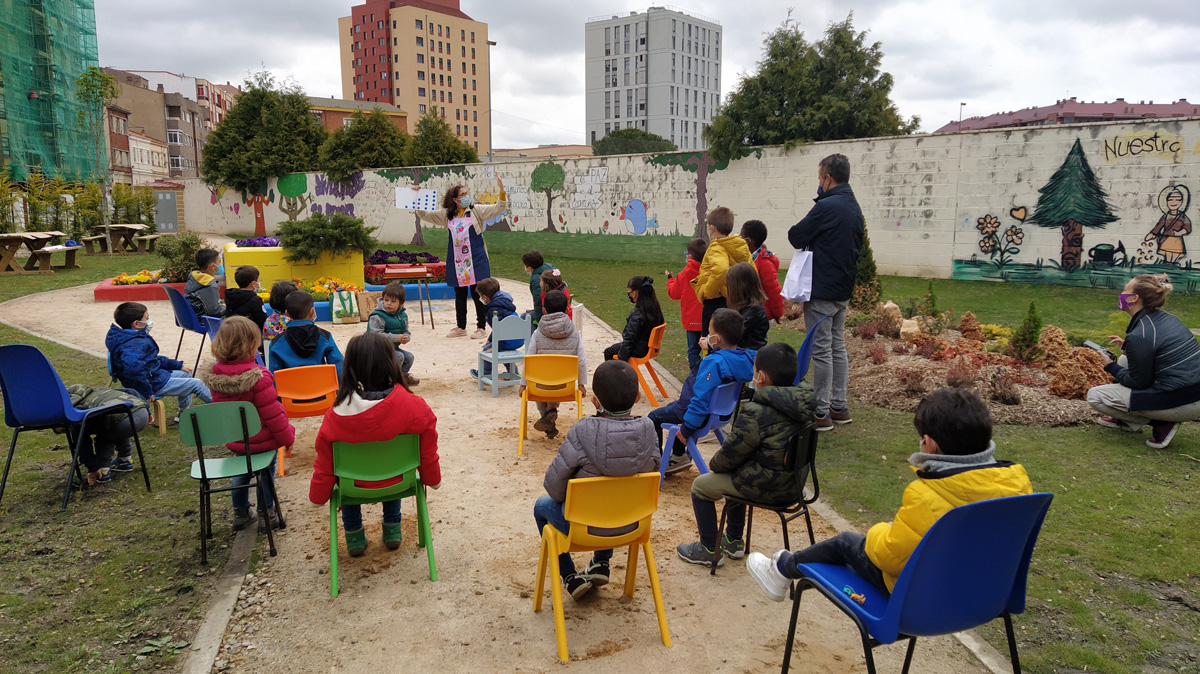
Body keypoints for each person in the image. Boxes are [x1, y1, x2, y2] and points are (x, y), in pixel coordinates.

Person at [747, 388, 1033, 601]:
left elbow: (889, 557)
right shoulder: (1019, 485)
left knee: (847, 542)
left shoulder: (928, 494)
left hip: (922, 599)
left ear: (929, 445)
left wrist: (879, 532)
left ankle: (781, 570)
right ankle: (783, 567)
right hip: (985, 596)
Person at [676, 343, 813, 566]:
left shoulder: (756, 412)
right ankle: (733, 540)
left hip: (769, 488)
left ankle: (709, 548)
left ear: (761, 377)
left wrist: (715, 464)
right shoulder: (805, 404)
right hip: (795, 485)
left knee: (701, 486)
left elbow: (728, 457)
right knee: (740, 469)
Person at [535, 360, 660, 600]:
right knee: (614, 494)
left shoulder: (582, 431)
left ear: (595, 401)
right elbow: (652, 473)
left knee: (541, 507)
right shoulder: (649, 430)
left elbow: (553, 487)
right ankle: (601, 563)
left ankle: (570, 576)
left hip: (584, 528)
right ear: (637, 397)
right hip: (634, 524)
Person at [310, 333, 441, 557]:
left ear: (350, 367)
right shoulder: (416, 407)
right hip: (399, 482)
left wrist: (317, 496)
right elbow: (427, 452)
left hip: (353, 487)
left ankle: (354, 536)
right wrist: (433, 480)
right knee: (393, 467)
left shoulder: (335, 415)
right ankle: (392, 529)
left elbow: (325, 464)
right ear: (392, 363)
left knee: (345, 475)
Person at [787, 153, 864, 431]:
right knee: (836, 345)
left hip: (822, 289)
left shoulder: (827, 206)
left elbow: (796, 235)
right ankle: (839, 405)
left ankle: (821, 412)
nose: (819, 183)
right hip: (843, 288)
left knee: (822, 350)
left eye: (820, 178)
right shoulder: (854, 206)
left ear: (827, 179)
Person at [199, 317, 295, 533]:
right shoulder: (259, 378)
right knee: (264, 474)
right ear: (251, 345)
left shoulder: (215, 376)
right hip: (263, 442)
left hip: (236, 439)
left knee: (241, 473)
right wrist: (287, 437)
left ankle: (241, 513)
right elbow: (273, 415)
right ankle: (266, 514)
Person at [1087, 274, 1200, 449]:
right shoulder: (1165, 319)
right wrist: (1130, 349)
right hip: (1192, 392)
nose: (1121, 293)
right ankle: (1127, 422)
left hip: (1182, 401)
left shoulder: (1140, 335)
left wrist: (1110, 366)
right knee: (1125, 359)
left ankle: (1161, 422)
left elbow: (1138, 382)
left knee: (1095, 396)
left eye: (1125, 290)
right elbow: (1156, 351)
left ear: (1134, 298)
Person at [648, 308, 756, 474]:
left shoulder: (714, 362)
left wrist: (687, 428)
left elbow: (700, 400)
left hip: (697, 414)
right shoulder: (744, 358)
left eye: (710, 331)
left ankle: (660, 462)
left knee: (654, 417)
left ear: (716, 338)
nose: (707, 333)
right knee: (677, 409)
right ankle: (678, 455)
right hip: (721, 414)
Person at [412, 176, 507, 338]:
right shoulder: (446, 215)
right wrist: (417, 196)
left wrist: (502, 190)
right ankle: (461, 327)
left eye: (466, 193)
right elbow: (424, 214)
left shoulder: (476, 210)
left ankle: (481, 327)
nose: (466, 197)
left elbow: (499, 207)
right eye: (462, 195)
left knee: (479, 293)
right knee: (460, 294)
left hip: (476, 258)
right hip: (457, 261)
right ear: (454, 199)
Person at [106, 301, 211, 419]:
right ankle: (223, 407)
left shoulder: (126, 338)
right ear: (136, 324)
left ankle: (183, 414)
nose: (149, 321)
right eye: (147, 318)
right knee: (196, 384)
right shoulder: (135, 344)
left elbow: (152, 360)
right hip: (152, 383)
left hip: (153, 376)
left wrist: (176, 365)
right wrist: (146, 392)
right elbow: (134, 371)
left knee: (186, 374)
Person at [520, 290, 587, 440]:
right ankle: (551, 412)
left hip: (539, 387)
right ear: (566, 310)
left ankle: (547, 416)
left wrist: (523, 384)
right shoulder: (575, 334)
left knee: (539, 385)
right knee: (556, 378)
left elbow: (529, 358)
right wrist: (581, 383)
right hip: (565, 387)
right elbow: (581, 360)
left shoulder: (537, 333)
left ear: (544, 310)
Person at [63, 384, 150, 486]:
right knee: (115, 424)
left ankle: (103, 471)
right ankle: (124, 460)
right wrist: (148, 410)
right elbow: (131, 390)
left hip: (124, 421)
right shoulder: (100, 391)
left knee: (104, 434)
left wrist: (92, 468)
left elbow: (81, 442)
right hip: (141, 412)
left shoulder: (79, 410)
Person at [693, 206, 752, 338]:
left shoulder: (716, 246)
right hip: (735, 300)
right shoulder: (740, 246)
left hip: (716, 303)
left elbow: (720, 270)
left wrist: (708, 292)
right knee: (729, 340)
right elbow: (751, 271)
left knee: (711, 342)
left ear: (712, 228)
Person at [268, 291, 344, 377]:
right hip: (322, 388)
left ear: (287, 314)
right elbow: (339, 365)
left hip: (291, 389)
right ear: (312, 311)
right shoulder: (325, 337)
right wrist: (340, 389)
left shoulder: (276, 343)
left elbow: (274, 376)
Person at [470, 277, 524, 379]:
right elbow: (500, 327)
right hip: (518, 338)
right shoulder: (504, 302)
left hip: (509, 338)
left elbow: (500, 330)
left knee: (487, 350)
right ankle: (513, 372)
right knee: (503, 350)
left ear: (485, 297)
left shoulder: (493, 310)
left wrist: (495, 347)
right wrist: (490, 339)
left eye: (480, 296)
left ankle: (485, 374)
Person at [667, 238, 707, 373]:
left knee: (693, 350)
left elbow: (674, 294)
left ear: (690, 255)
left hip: (691, 319)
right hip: (708, 318)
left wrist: (670, 280)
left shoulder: (683, 275)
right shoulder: (710, 272)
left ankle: (695, 376)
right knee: (710, 349)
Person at [603, 275, 665, 362]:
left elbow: (629, 340)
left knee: (609, 351)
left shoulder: (638, 314)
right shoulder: (654, 308)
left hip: (638, 349)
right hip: (648, 348)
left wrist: (622, 360)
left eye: (629, 292)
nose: (629, 295)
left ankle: (615, 375)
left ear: (635, 293)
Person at [366, 281, 418, 385]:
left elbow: (406, 331)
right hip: (375, 349)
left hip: (391, 348)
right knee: (398, 357)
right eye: (386, 300)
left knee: (409, 357)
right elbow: (375, 335)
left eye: (393, 301)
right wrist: (396, 338)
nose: (389, 303)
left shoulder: (402, 316)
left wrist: (406, 337)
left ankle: (402, 377)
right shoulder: (377, 316)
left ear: (401, 303)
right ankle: (390, 380)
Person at [741, 220, 786, 322]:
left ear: (748, 241)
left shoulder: (765, 262)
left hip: (760, 313)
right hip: (747, 310)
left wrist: (777, 314)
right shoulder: (745, 257)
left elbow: (773, 290)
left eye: (741, 237)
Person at [725, 261, 770, 351]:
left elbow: (735, 333)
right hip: (743, 353)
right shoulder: (744, 306)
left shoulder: (753, 310)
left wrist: (711, 342)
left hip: (750, 356)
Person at [225, 265, 268, 333]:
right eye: (258, 280)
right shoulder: (255, 300)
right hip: (250, 335)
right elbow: (262, 320)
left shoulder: (230, 296)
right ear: (253, 283)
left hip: (233, 333)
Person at [185, 248, 226, 318]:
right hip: (204, 320)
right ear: (213, 266)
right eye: (219, 262)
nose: (221, 264)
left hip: (191, 317)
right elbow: (215, 311)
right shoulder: (210, 285)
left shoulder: (194, 276)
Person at [522, 250, 556, 325]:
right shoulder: (549, 268)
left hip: (547, 312)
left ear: (530, 268)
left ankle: (534, 336)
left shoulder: (537, 279)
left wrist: (539, 320)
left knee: (524, 318)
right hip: (556, 307)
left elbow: (538, 301)